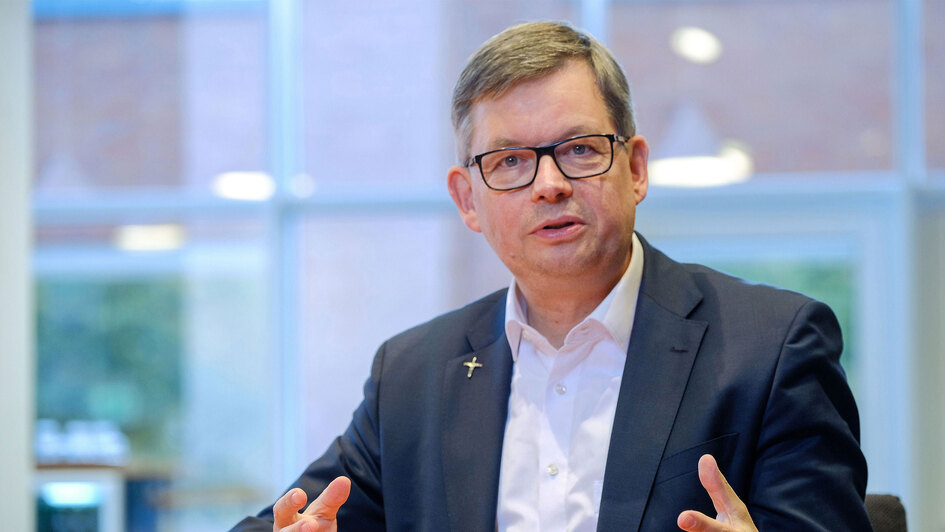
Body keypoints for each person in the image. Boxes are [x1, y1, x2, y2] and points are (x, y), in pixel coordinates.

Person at [232, 21, 870, 532]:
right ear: (468, 200)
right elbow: (291, 519)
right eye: (510, 161)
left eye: (580, 149)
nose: (550, 184)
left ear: (637, 168)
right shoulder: (412, 374)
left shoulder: (772, 347)